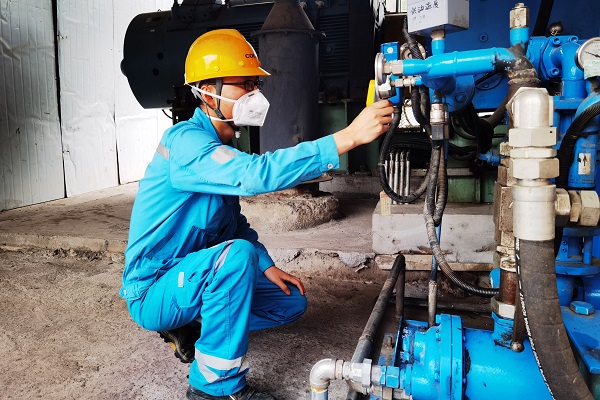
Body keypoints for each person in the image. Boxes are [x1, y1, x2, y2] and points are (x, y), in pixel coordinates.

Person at [120, 28, 394, 400]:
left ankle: (196, 326)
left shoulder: (218, 146)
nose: (254, 94)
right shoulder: (185, 142)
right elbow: (254, 176)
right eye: (244, 85)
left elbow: (232, 224)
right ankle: (212, 388)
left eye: (254, 84)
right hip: (154, 287)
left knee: (289, 301)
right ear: (208, 92)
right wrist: (346, 138)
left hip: (194, 273)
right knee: (237, 258)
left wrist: (266, 266)